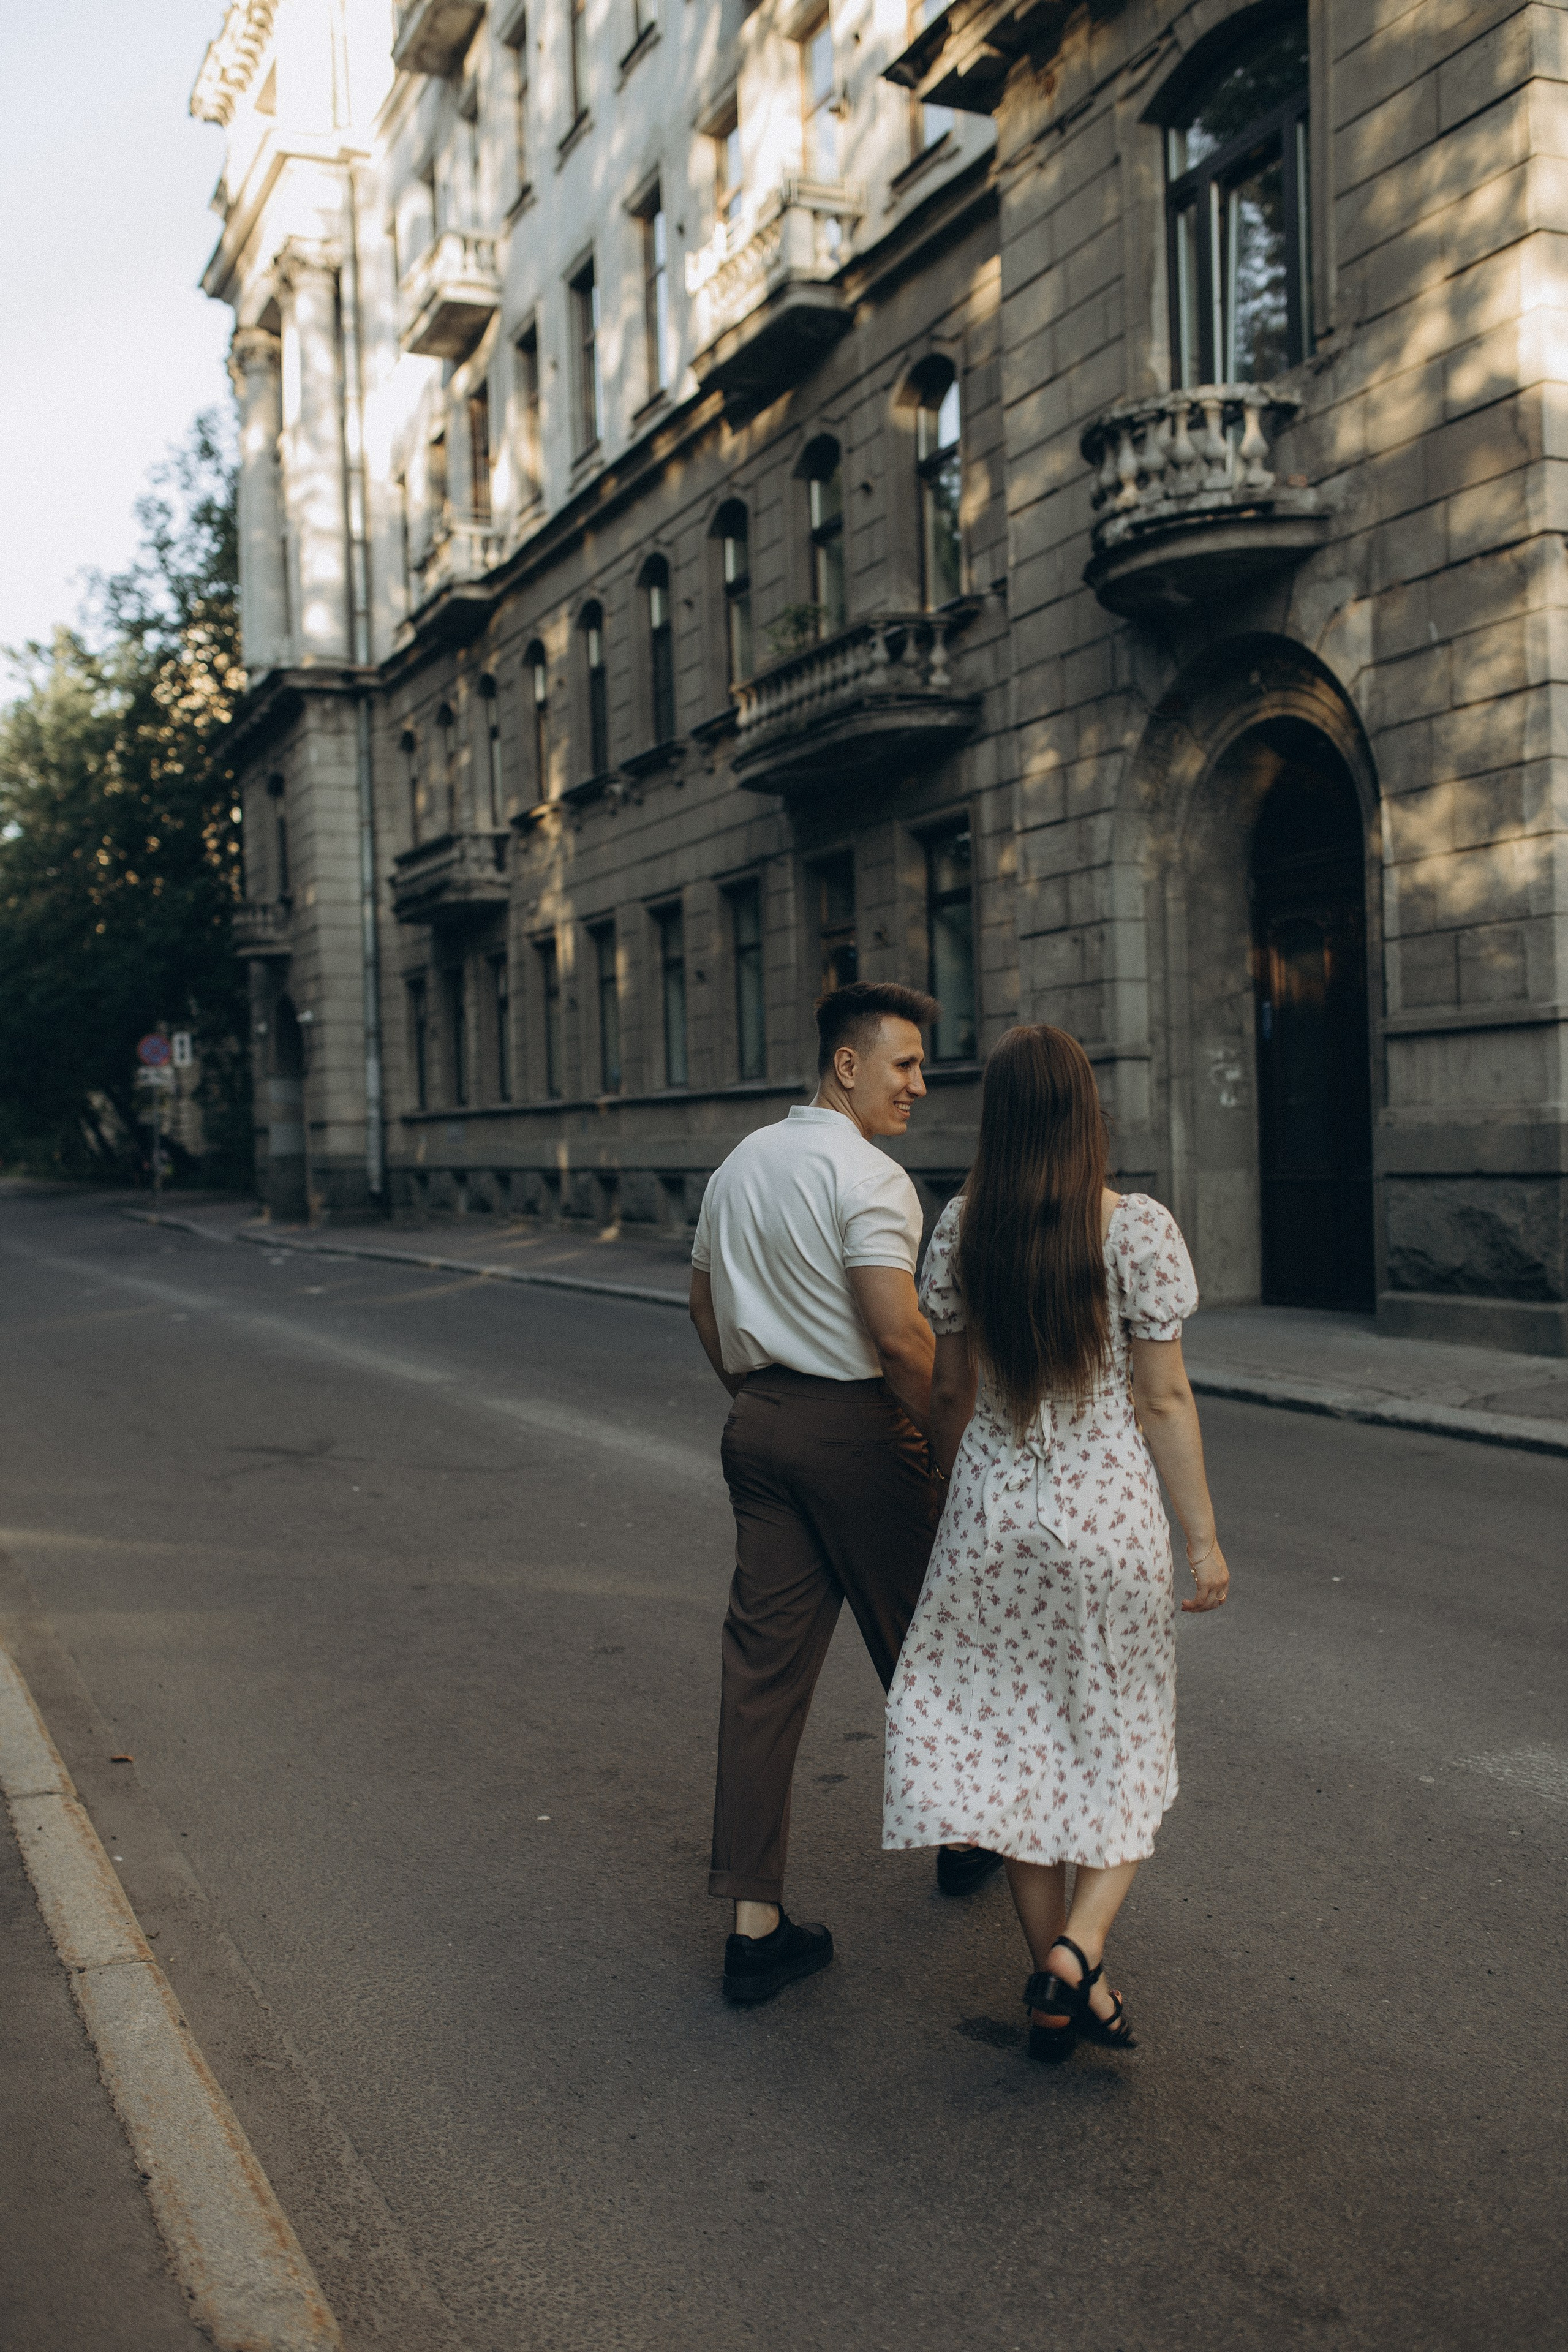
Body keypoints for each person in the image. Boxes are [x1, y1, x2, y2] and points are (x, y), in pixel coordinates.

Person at [884, 1023, 1231, 2063]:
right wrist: (1203, 1540)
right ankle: (1078, 1956)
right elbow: (1163, 1398)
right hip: (1106, 1517)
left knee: (1020, 1758)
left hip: (994, 1517)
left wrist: (947, 1483)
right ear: (1089, 1114)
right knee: (1121, 1743)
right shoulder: (1138, 1232)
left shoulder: (960, 1231)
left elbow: (948, 1388)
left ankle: (1066, 1988)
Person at [689, 980, 998, 2008]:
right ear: (848, 1065)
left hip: (762, 1424)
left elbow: (701, 1299)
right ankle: (964, 1839)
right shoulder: (869, 1175)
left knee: (761, 1676)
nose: (921, 1084)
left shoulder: (739, 1165)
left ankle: (754, 1926)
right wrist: (958, 1448)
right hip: (857, 1430)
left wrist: (756, 1394)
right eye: (905, 1065)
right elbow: (902, 1336)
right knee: (932, 1636)